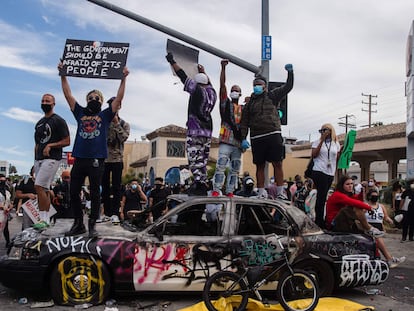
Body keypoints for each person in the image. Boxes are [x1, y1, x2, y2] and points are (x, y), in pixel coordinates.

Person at [59, 61, 129, 237]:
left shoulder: (105, 115)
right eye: (91, 98)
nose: (94, 100)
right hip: (79, 158)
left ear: (102, 102)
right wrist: (63, 74)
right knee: (74, 191)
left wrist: (123, 78)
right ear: (86, 101)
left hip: (97, 159)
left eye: (97, 98)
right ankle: (78, 223)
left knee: (96, 193)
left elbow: (119, 99)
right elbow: (68, 95)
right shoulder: (80, 112)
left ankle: (92, 225)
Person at [239, 64, 294, 199]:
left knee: (277, 163)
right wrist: (243, 138)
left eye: (259, 84)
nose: (257, 86)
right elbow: (244, 122)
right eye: (255, 84)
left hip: (273, 134)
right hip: (257, 137)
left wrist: (290, 73)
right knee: (260, 166)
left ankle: (280, 192)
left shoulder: (272, 96)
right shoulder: (249, 104)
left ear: (264, 86)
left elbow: (288, 87)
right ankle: (261, 192)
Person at [326, 175, 405, 268]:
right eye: (347, 184)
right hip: (334, 223)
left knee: (375, 235)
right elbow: (354, 203)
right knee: (355, 207)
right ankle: (368, 228)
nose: (350, 186)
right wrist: (368, 207)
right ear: (341, 185)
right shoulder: (337, 195)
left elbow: (358, 199)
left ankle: (389, 259)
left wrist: (363, 190)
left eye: (352, 184)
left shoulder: (348, 194)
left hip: (345, 222)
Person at [166, 52, 217, 196]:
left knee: (194, 159)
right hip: (207, 132)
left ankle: (199, 184)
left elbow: (182, 76)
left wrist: (172, 61)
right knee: (203, 159)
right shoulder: (212, 93)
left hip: (195, 130)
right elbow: (210, 83)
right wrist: (204, 72)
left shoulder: (197, 90)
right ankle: (202, 182)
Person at [33, 93, 70, 229]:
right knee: (44, 189)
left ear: (53, 103)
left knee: (39, 186)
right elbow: (37, 144)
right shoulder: (39, 123)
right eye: (43, 100)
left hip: (52, 158)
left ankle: (44, 219)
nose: (45, 102)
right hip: (39, 159)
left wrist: (51, 145)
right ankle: (44, 219)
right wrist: (35, 159)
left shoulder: (58, 120)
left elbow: (67, 141)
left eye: (48, 101)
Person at [211, 59, 244, 197]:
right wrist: (223, 68)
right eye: (232, 90)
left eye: (236, 91)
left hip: (238, 143)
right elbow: (222, 85)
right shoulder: (225, 104)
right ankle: (216, 190)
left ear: (240, 94)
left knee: (235, 169)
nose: (234, 92)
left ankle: (230, 191)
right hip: (226, 140)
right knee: (221, 166)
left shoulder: (243, 109)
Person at [101, 96, 130, 225]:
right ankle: (106, 213)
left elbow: (124, 138)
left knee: (117, 187)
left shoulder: (124, 124)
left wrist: (117, 123)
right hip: (104, 159)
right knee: (105, 187)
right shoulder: (103, 122)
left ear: (119, 106)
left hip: (117, 159)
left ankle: (115, 213)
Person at [310, 123, 341, 228]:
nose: (324, 132)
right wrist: (321, 141)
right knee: (321, 196)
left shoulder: (335, 143)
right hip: (319, 170)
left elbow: (336, 158)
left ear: (331, 131)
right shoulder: (317, 142)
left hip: (330, 172)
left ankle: (321, 218)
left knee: (324, 196)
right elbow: (314, 154)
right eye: (322, 130)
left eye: (326, 130)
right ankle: (319, 221)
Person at [0, 174, 12, 247]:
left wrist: (10, 207)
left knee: (5, 228)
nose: (3, 182)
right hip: (1, 211)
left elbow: (9, 201)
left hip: (5, 213)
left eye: (4, 181)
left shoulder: (7, 190)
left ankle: (8, 242)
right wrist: (2, 207)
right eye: (1, 181)